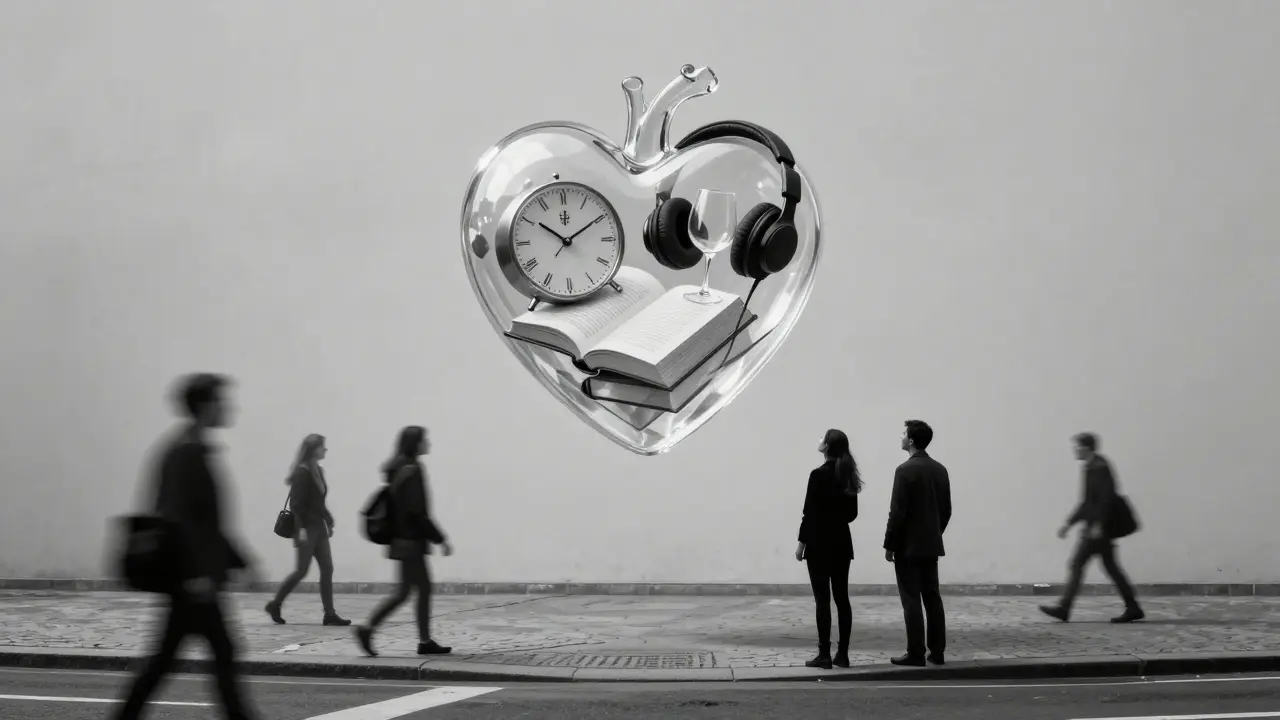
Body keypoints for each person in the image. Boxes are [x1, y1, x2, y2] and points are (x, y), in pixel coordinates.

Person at [113, 374, 258, 720]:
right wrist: (196, 574)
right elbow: (180, 518)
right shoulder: (186, 451)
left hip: (196, 577)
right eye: (223, 400)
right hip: (193, 579)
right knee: (213, 653)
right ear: (206, 405)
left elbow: (206, 521)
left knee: (175, 658)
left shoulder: (192, 446)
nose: (229, 407)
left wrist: (240, 561)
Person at [354, 425, 454, 657]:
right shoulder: (413, 470)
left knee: (410, 591)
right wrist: (440, 538)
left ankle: (419, 639)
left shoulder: (399, 468)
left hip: (402, 539)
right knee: (413, 591)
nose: (427, 443)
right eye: (424, 440)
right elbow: (416, 512)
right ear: (415, 444)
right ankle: (370, 629)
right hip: (411, 540)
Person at [1039, 432, 1144, 623]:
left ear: (1085, 448)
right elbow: (1086, 502)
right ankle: (1133, 607)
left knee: (1077, 564)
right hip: (1096, 528)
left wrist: (1097, 525)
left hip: (1097, 530)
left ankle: (1064, 608)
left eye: (1076, 446)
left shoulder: (1099, 467)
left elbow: (1105, 499)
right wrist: (1069, 523)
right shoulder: (1090, 466)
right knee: (1111, 568)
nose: (1074, 450)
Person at [883, 419, 952, 667]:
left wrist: (889, 544)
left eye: (903, 433)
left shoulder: (903, 470)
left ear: (911, 440)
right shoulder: (940, 469)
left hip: (907, 547)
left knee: (911, 599)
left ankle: (915, 652)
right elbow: (946, 511)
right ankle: (938, 652)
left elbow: (897, 512)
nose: (900, 437)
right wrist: (935, 532)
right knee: (932, 597)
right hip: (931, 545)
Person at [265, 434, 350, 626]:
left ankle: (329, 614)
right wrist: (300, 529)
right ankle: (275, 604)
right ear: (313, 449)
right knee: (301, 570)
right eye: (322, 447)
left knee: (327, 567)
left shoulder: (318, 470)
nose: (325, 450)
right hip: (305, 528)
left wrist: (328, 518)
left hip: (318, 527)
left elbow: (318, 501)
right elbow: (296, 505)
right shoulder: (302, 472)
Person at [794, 428, 862, 669]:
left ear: (826, 447)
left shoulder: (817, 475)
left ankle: (824, 654)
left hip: (819, 543)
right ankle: (842, 654)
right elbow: (852, 514)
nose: (818, 440)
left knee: (822, 600)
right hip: (842, 543)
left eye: (821, 438)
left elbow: (809, 512)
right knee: (842, 599)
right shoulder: (848, 474)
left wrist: (801, 543)